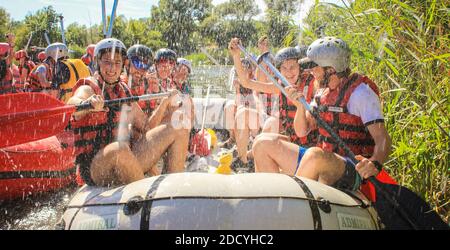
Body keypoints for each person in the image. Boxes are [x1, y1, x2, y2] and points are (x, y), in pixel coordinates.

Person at [250, 37, 393, 192]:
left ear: (330, 69)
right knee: (262, 143)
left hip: (351, 167)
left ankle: (290, 202)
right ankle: (270, 196)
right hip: (322, 159)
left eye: (314, 67)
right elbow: (302, 131)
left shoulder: (361, 93)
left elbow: (382, 138)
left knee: (314, 155)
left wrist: (375, 163)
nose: (310, 71)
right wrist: (299, 106)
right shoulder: (321, 93)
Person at [67, 38, 193, 187]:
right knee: (119, 148)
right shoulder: (88, 88)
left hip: (126, 159)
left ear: (123, 65)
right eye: (107, 61)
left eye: (117, 63)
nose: (112, 68)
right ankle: (145, 197)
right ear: (97, 62)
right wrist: (87, 104)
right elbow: (72, 105)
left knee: (179, 126)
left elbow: (146, 127)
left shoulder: (124, 91)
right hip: (96, 168)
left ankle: (172, 189)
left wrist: (164, 103)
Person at [228, 39, 317, 170]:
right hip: (289, 138)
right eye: (284, 68)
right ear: (279, 71)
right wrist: (236, 55)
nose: (289, 72)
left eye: (292, 67)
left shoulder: (313, 84)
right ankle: (244, 162)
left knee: (269, 127)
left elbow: (303, 131)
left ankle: (252, 159)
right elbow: (247, 83)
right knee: (254, 130)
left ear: (300, 66)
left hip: (307, 145)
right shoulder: (281, 86)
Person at [123, 44, 154, 116]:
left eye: (146, 65)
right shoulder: (119, 86)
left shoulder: (148, 86)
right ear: (127, 64)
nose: (140, 70)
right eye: (137, 63)